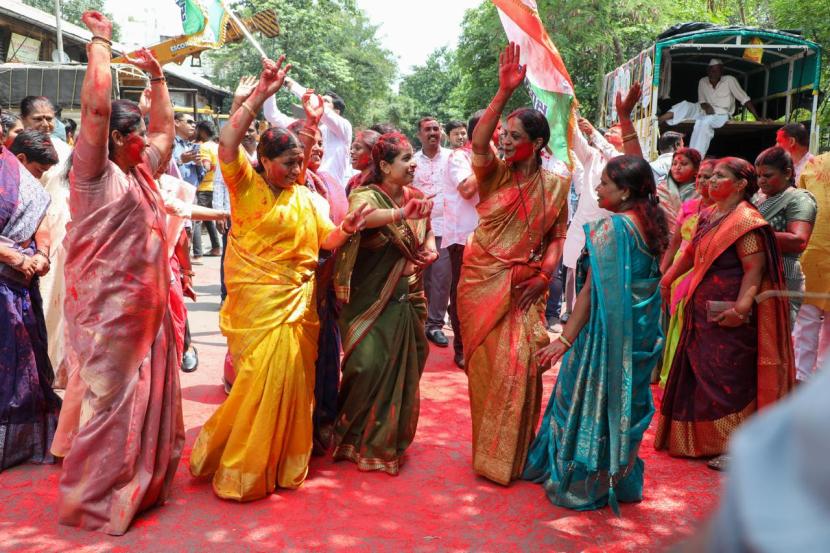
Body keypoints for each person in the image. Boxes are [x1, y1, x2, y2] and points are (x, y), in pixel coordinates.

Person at [188, 56, 370, 501]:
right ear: (264, 161)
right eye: (288, 162)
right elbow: (228, 145)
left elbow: (325, 241)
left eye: (301, 162)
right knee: (255, 384)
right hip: (258, 309)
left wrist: (345, 230)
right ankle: (241, 468)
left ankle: (280, 461)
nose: (297, 170)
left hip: (298, 306)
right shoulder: (245, 187)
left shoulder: (306, 198)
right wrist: (259, 96)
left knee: (292, 385)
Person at [52, 12, 183, 535]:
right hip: (111, 324)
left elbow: (165, 132)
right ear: (116, 139)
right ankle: (89, 502)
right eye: (135, 138)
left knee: (144, 405)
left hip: (147, 321)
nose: (146, 145)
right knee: (110, 411)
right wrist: (100, 45)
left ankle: (138, 484)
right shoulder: (95, 176)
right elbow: (96, 108)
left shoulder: (141, 173)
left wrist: (157, 78)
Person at [524, 151, 667, 511]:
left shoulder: (613, 229)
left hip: (604, 333)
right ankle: (618, 477)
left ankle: (585, 480)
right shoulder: (651, 224)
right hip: (640, 332)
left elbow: (588, 291)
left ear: (624, 191)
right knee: (623, 404)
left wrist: (565, 341)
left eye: (604, 183)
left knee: (586, 397)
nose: (598, 189)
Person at [457, 43, 568, 485]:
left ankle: (514, 454)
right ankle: (488, 453)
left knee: (521, 367)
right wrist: (502, 93)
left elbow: (557, 236)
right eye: (504, 133)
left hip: (525, 288)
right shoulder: (493, 174)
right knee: (487, 368)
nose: (504, 140)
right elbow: (479, 142)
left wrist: (545, 275)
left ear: (537, 143)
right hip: (480, 282)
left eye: (514, 135)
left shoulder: (557, 182)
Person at [655, 157, 794, 470]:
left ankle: (736, 446)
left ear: (741, 184)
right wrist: (666, 279)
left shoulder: (746, 221)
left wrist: (741, 310)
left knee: (730, 381)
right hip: (700, 314)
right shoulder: (708, 215)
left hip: (728, 316)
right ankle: (702, 442)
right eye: (710, 176)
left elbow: (753, 272)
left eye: (720, 176)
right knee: (701, 377)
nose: (711, 181)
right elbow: (690, 252)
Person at [333, 132, 436, 473]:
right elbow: (363, 219)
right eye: (405, 160)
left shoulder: (417, 196)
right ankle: (350, 437)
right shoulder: (364, 194)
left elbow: (427, 228)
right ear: (383, 166)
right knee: (364, 364)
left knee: (406, 365)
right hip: (368, 297)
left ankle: (386, 441)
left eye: (412, 158)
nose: (413, 165)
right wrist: (399, 213)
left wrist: (431, 248)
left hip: (407, 295)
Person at [0, 107, 62, 473]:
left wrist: (40, 253)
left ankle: (20, 443)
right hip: (9, 276)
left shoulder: (15, 170)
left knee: (24, 364)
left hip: (19, 287)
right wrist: (12, 256)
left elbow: (39, 216)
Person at [18, 96, 73, 388]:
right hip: (24, 232)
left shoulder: (65, 151)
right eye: (38, 119)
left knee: (58, 301)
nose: (45, 124)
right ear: (23, 119)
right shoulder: (16, 152)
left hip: (60, 232)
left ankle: (51, 368)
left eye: (49, 118)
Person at [658, 158, 716, 384]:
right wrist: (664, 274)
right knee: (675, 326)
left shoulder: (723, 211)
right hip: (678, 272)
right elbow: (674, 244)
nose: (702, 181)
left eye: (708, 176)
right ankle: (673, 375)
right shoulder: (690, 207)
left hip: (702, 273)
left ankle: (689, 379)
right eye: (700, 176)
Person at [754, 146, 816, 325]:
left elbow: (799, 241)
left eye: (767, 176)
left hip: (782, 278)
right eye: (758, 176)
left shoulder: (799, 199)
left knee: (774, 343)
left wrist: (750, 232)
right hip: (759, 276)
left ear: (788, 173)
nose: (761, 181)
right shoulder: (761, 199)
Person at [660, 58, 764, 156]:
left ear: (721, 71)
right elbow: (702, 102)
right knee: (686, 105)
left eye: (716, 71)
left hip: (721, 114)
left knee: (704, 122)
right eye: (711, 70)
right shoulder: (703, 81)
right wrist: (707, 106)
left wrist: (757, 117)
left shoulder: (730, 80)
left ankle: (695, 156)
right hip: (703, 110)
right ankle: (660, 119)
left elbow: (744, 99)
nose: (712, 73)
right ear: (707, 70)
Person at [263, 77, 353, 186]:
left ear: (336, 112)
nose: (318, 148)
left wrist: (289, 83)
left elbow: (318, 105)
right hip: (305, 188)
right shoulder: (303, 127)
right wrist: (271, 85)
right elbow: (272, 116)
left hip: (331, 195)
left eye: (325, 102)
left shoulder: (344, 129)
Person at [445, 111, 482, 368]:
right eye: (496, 129)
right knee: (461, 293)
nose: (500, 135)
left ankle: (477, 345)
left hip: (486, 236)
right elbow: (468, 190)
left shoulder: (484, 157)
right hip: (462, 236)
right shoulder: (460, 157)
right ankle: (460, 348)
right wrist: (488, 163)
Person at [412, 116, 453, 347]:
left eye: (436, 129)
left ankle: (435, 325)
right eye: (427, 129)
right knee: (419, 277)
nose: (433, 133)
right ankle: (419, 320)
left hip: (445, 227)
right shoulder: (412, 161)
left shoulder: (452, 158)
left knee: (441, 278)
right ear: (419, 135)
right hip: (417, 228)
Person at [793, 153, 830, 382]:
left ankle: (802, 380)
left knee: (805, 324)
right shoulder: (813, 163)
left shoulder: (813, 163)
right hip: (812, 254)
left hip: (812, 253)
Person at [192, 120, 222, 258]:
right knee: (208, 219)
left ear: (202, 131)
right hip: (216, 187)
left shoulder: (204, 147)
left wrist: (196, 163)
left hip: (204, 187)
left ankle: (197, 253)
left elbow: (207, 167)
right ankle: (216, 248)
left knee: (196, 219)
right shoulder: (217, 147)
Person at [345, 129, 380, 195]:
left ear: (373, 154)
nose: (351, 151)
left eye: (357, 148)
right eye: (352, 148)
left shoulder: (381, 184)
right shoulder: (353, 181)